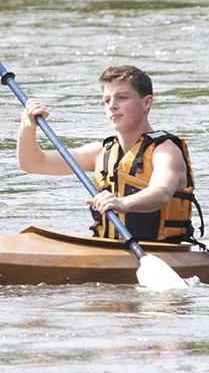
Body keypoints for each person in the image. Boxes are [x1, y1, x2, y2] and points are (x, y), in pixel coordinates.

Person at [17, 65, 199, 243]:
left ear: (146, 103)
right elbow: (32, 163)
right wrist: (27, 127)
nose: (112, 105)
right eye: (107, 100)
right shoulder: (100, 152)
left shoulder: (165, 150)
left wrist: (123, 203)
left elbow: (162, 193)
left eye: (122, 98)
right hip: (109, 247)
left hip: (164, 250)